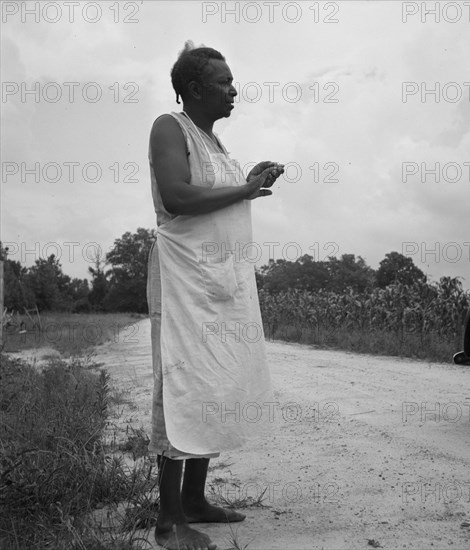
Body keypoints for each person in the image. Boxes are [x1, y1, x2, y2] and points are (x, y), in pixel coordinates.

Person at [146, 41, 284, 550]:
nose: (233, 89)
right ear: (195, 89)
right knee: (181, 383)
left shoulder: (217, 143)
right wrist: (244, 192)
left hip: (220, 282)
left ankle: (196, 500)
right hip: (181, 281)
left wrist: (249, 181)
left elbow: (221, 201)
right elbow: (178, 197)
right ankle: (168, 521)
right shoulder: (170, 126)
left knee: (214, 383)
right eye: (224, 82)